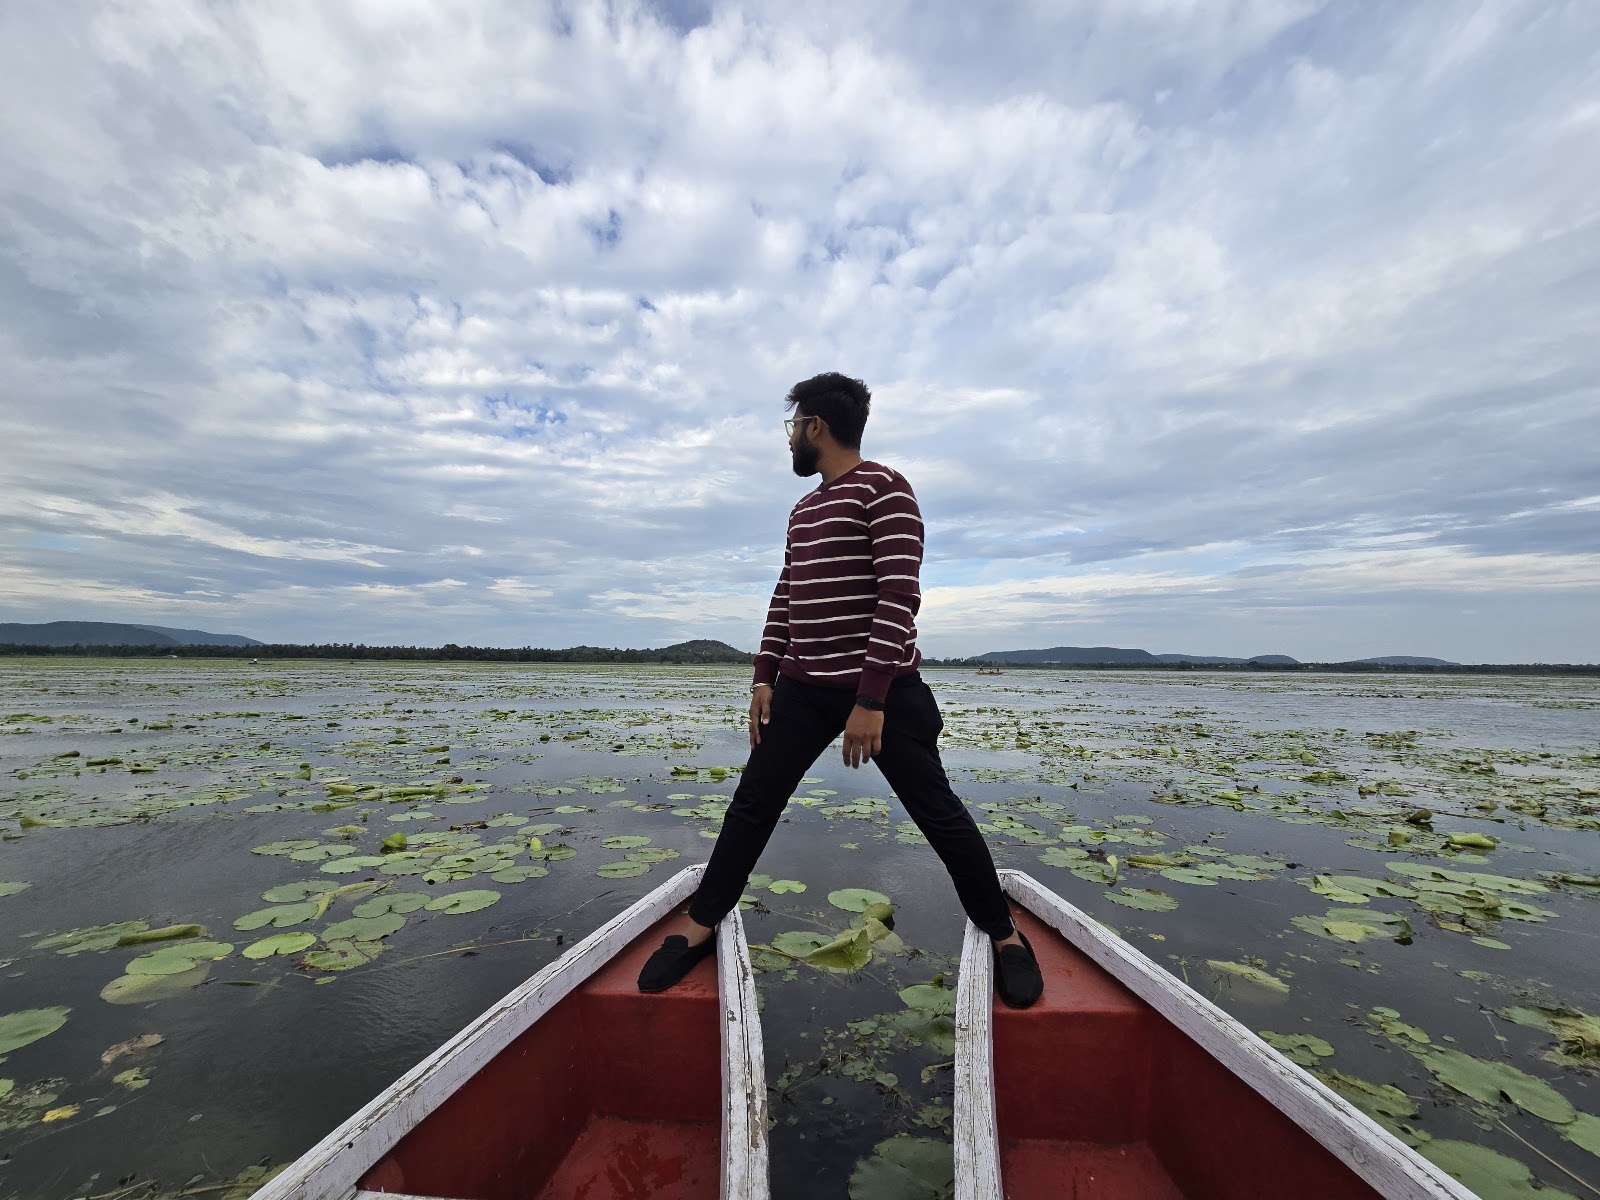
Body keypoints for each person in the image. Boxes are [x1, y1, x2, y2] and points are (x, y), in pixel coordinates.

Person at [636, 373, 1042, 1007]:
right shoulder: (803, 511)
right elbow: (786, 596)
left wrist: (871, 699)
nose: (790, 438)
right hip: (803, 686)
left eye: (793, 425)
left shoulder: (886, 490)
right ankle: (699, 927)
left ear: (815, 427)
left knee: (939, 814)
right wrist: (763, 677)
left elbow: (898, 596)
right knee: (753, 802)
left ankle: (1005, 935)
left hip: (881, 690)